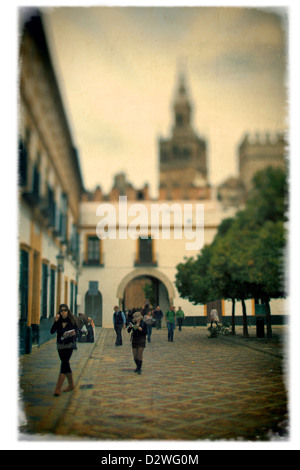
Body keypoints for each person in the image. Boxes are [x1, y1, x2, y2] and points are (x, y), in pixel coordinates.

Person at [50, 304, 78, 397]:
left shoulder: (72, 321)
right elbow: (52, 331)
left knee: (64, 363)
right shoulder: (58, 321)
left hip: (69, 345)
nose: (63, 312)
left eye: (65, 310)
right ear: (59, 312)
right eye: (61, 311)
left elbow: (77, 332)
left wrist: (73, 334)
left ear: (67, 311)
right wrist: (55, 321)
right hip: (60, 346)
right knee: (66, 363)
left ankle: (58, 388)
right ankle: (71, 385)